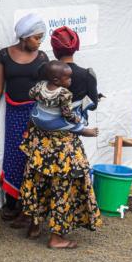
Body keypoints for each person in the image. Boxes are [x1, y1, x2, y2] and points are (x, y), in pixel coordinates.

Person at [18, 28, 102, 250]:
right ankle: (56, 236)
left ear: (54, 49)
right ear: (76, 47)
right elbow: (91, 103)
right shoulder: (85, 75)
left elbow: (34, 96)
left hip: (38, 138)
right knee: (63, 185)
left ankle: (34, 224)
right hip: (65, 140)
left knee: (36, 179)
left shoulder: (43, 71)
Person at [0, 13, 49, 222]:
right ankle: (12, 203)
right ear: (24, 37)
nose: (39, 42)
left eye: (41, 38)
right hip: (13, 113)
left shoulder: (42, 58)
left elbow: (44, 90)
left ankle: (28, 206)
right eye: (36, 37)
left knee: (30, 158)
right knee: (14, 155)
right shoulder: (4, 55)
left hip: (34, 113)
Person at [29, 61, 99, 137]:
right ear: (56, 80)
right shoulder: (64, 93)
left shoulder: (41, 85)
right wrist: (75, 118)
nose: (70, 79)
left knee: (36, 107)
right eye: (68, 78)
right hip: (50, 123)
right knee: (70, 123)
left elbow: (31, 94)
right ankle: (83, 131)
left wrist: (42, 99)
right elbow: (66, 113)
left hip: (36, 118)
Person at [50, 26, 100, 119]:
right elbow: (93, 105)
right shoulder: (87, 74)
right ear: (75, 46)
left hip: (50, 126)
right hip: (75, 127)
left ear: (54, 50)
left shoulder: (48, 74)